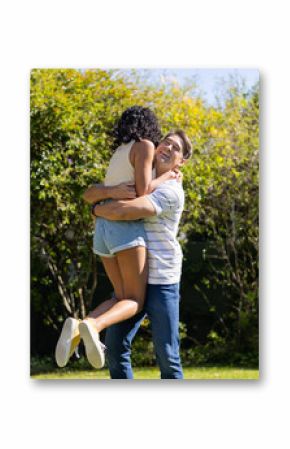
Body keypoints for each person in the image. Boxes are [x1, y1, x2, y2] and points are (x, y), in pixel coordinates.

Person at [55, 106, 176, 369]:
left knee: (121, 296)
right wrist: (165, 176)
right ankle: (92, 325)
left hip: (102, 230)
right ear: (150, 127)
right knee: (134, 300)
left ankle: (79, 325)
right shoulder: (143, 145)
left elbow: (100, 192)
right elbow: (141, 192)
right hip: (125, 227)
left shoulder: (119, 151)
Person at [87, 130, 192, 378]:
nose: (167, 147)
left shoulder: (171, 190)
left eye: (175, 147)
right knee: (114, 348)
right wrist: (101, 200)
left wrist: (98, 210)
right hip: (135, 273)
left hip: (161, 279)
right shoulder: (145, 179)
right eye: (165, 141)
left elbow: (127, 211)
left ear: (181, 162)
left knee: (167, 355)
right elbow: (95, 192)